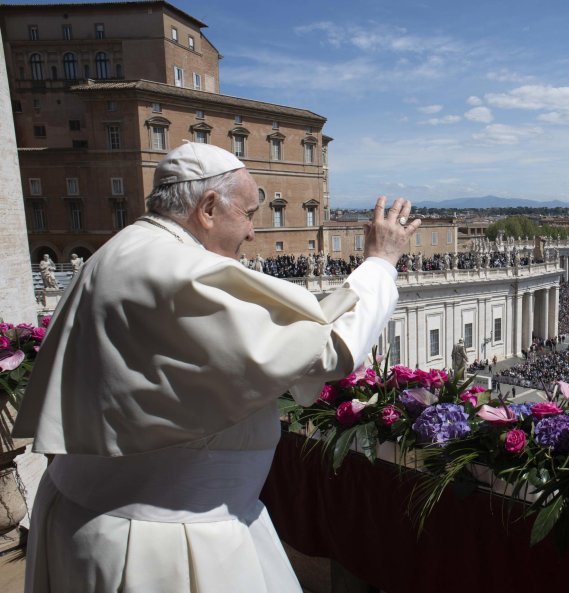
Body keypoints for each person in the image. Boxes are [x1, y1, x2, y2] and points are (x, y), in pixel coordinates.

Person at [13, 143, 421, 593]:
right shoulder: (178, 271)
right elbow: (329, 351)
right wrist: (381, 264)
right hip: (163, 544)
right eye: (248, 214)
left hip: (90, 518)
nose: (251, 233)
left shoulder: (118, 252)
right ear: (208, 207)